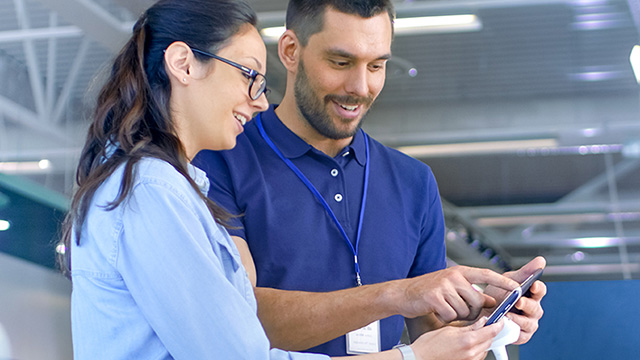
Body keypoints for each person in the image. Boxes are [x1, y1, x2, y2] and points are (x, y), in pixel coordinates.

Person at [59, 0, 511, 359]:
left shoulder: (170, 185)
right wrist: (407, 350)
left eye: (377, 65)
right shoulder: (159, 189)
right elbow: (245, 344)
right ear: (184, 64)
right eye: (250, 76)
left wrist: (482, 329)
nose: (258, 100)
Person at [193, 0, 548, 357]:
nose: (360, 87)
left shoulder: (413, 182)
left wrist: (482, 318)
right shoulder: (218, 160)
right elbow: (235, 318)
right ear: (290, 51)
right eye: (341, 63)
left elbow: (430, 331)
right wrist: (395, 294)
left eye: (376, 65)